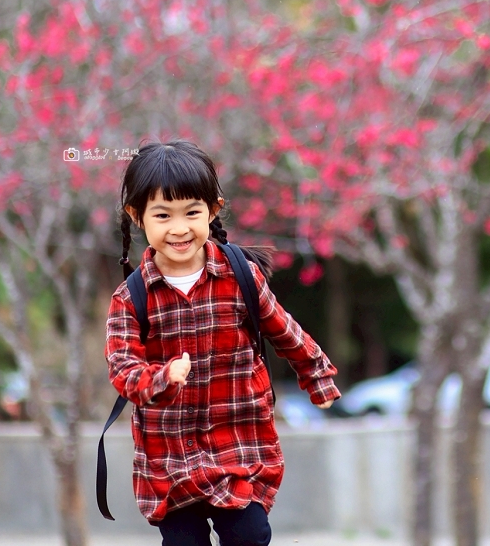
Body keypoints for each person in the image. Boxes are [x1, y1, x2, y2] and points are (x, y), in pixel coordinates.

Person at [106, 140, 340, 546]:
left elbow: (283, 328)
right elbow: (123, 370)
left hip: (238, 443)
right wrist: (161, 378)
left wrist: (316, 376)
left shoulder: (240, 276)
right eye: (162, 215)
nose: (179, 229)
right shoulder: (131, 298)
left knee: (250, 535)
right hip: (169, 455)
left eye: (192, 213)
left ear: (213, 209)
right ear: (137, 216)